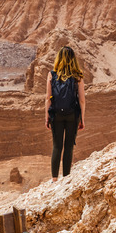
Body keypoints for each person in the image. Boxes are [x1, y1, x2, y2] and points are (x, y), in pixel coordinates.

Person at [45, 46, 86, 180]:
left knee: (57, 146)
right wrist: (82, 119)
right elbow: (82, 100)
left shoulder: (52, 74)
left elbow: (48, 98)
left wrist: (47, 117)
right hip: (72, 114)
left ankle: (54, 179)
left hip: (56, 114)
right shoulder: (77, 75)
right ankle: (67, 178)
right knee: (68, 146)